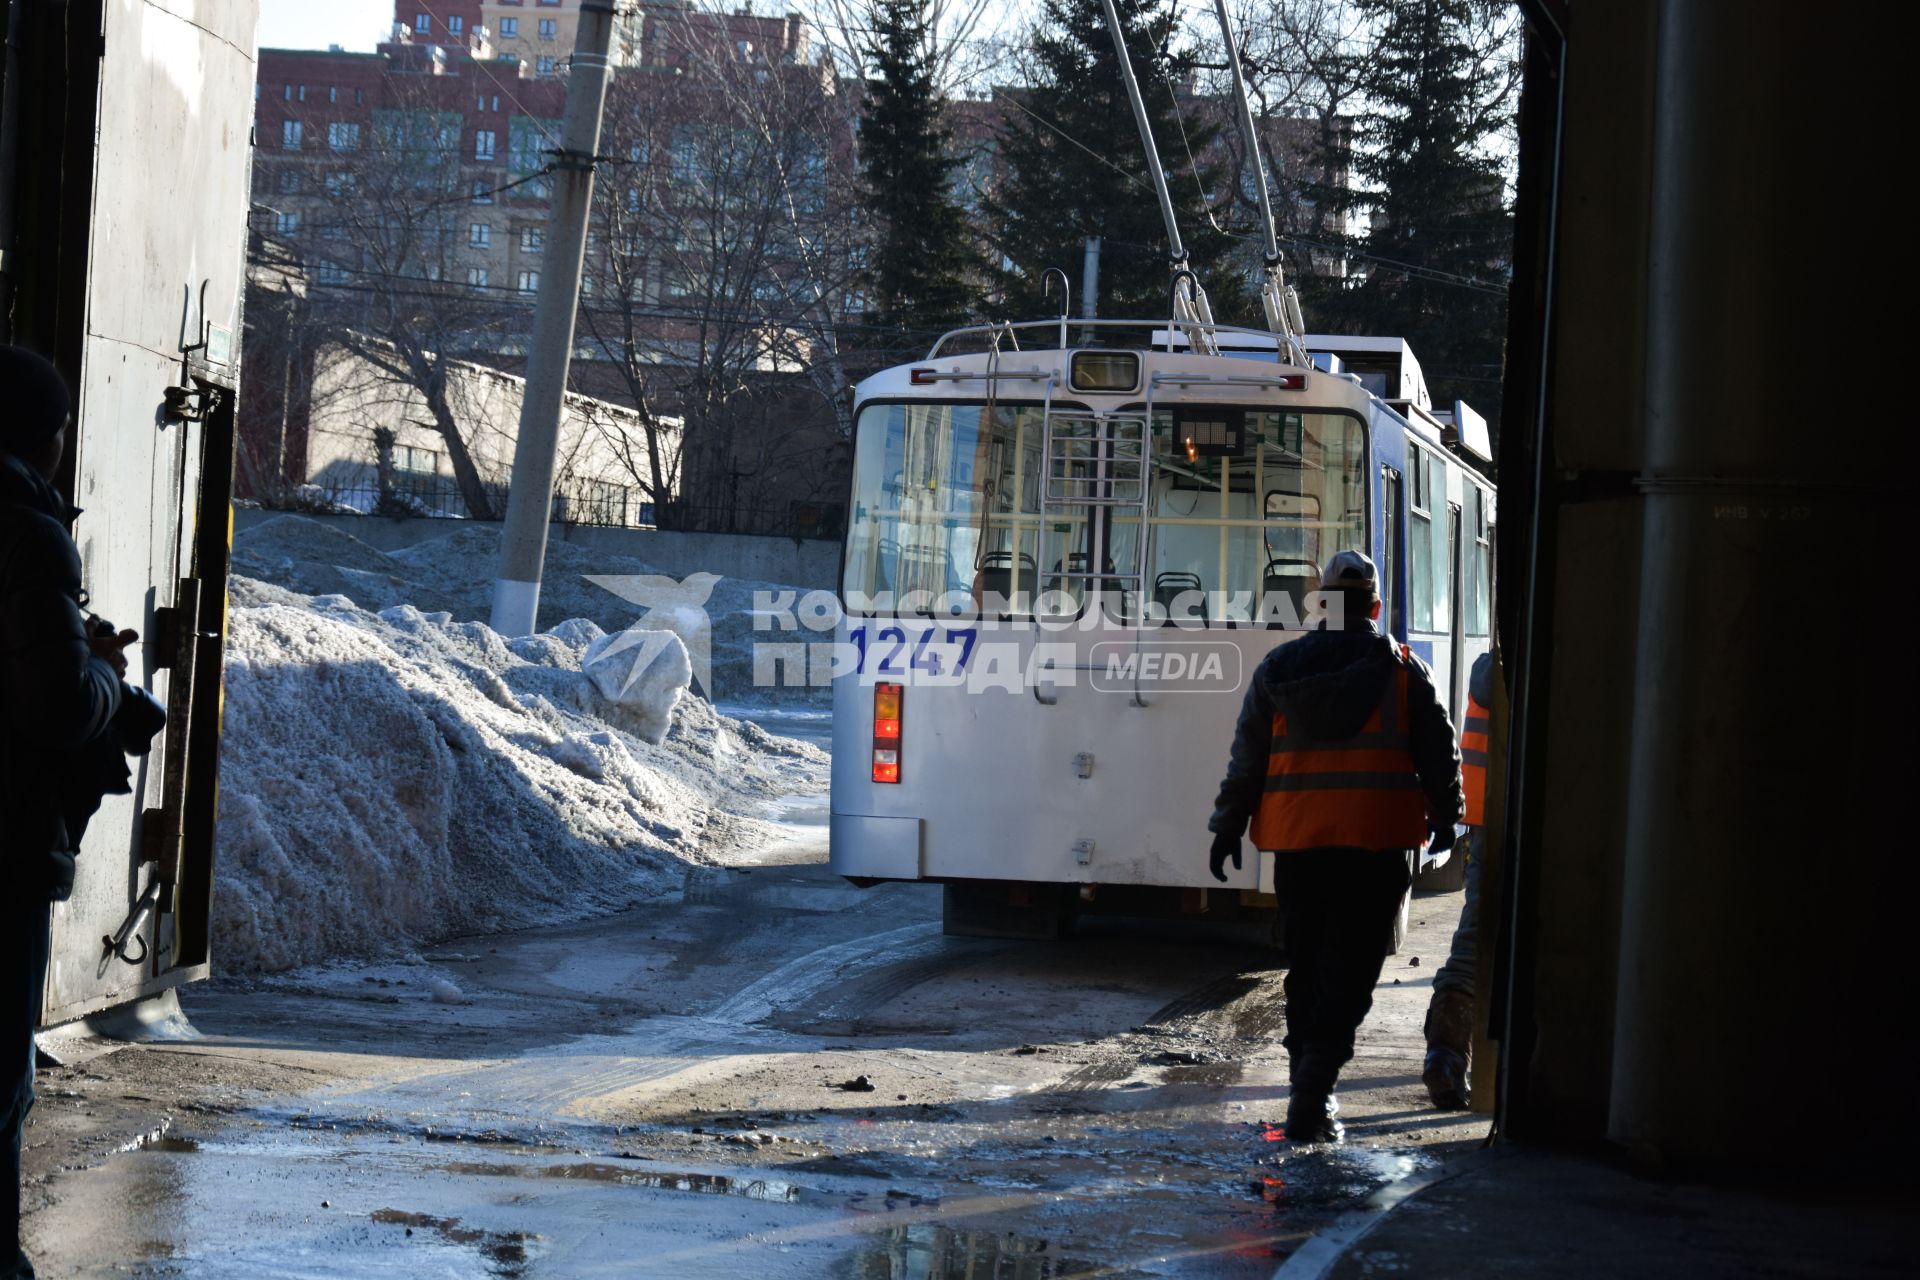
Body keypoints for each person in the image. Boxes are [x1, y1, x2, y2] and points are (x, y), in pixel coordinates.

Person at [1207, 550, 1463, 1143]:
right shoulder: (1403, 671)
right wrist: (1449, 818)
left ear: (1322, 602)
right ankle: (1313, 1094)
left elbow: (1248, 759)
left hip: (1299, 845)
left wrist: (1227, 826)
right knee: (1350, 972)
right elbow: (1439, 752)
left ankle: (1308, 1088)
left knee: (1309, 965)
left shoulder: (1279, 670)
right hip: (1377, 845)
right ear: (1374, 606)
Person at [0, 346, 136, 1280]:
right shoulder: (28, 530)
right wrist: (108, 677)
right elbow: (54, 704)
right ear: (45, 437)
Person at [1422, 650, 1494, 1110]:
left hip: (1490, 823)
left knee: (1476, 939)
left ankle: (1444, 1059)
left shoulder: (1489, 670)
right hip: (1543, 823)